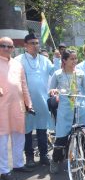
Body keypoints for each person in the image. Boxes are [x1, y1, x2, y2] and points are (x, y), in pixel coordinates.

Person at [15, 33, 61, 167]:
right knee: (27, 131)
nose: (35, 46)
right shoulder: (18, 60)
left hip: (42, 101)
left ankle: (44, 155)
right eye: (32, 43)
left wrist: (57, 59)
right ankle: (29, 157)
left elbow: (55, 74)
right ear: (25, 46)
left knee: (42, 130)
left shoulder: (45, 60)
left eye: (37, 43)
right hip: (26, 102)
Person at [48, 50, 85, 173]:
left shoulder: (80, 73)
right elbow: (50, 89)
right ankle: (55, 160)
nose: (75, 61)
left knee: (83, 137)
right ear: (64, 60)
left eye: (76, 59)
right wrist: (53, 91)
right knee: (61, 138)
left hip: (80, 108)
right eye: (72, 59)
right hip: (65, 110)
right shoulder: (58, 74)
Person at [0, 37, 34, 180]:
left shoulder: (17, 64)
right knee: (2, 139)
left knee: (19, 136)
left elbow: (23, 85)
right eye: (3, 46)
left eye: (10, 46)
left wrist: (29, 104)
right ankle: (4, 170)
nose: (7, 49)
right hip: (2, 107)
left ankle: (18, 164)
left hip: (18, 106)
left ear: (13, 48)